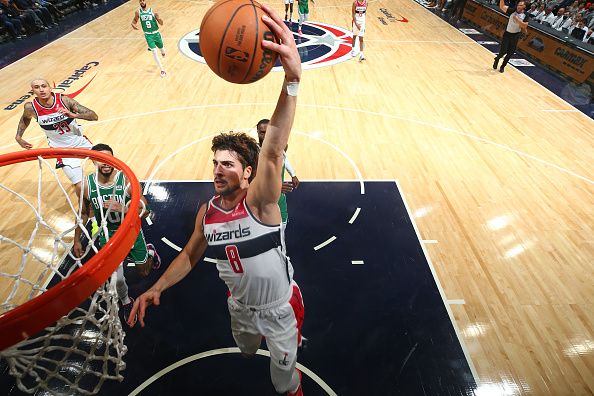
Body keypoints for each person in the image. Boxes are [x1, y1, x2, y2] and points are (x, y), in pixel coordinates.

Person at [129, 6, 305, 395]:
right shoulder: (207, 213)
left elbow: (273, 148)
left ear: (247, 173)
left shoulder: (260, 203)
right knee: (245, 351)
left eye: (228, 164)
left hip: (280, 308)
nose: (218, 169)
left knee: (283, 383)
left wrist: (292, 79)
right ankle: (250, 340)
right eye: (215, 163)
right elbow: (190, 255)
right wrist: (158, 286)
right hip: (239, 306)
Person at [73, 143, 161, 323]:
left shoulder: (127, 181)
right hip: (108, 234)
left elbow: (146, 211)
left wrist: (124, 209)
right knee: (117, 279)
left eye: (109, 159)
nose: (106, 163)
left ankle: (150, 252)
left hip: (131, 232)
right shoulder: (85, 187)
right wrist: (77, 240)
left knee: (144, 272)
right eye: (101, 159)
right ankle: (125, 301)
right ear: (93, 161)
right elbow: (82, 213)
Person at [15, 78, 98, 197]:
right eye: (37, 87)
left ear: (50, 88)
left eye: (44, 86)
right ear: (33, 91)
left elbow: (94, 116)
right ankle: (87, 212)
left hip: (81, 142)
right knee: (81, 186)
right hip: (61, 150)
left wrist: (74, 114)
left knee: (109, 168)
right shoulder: (30, 107)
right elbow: (25, 118)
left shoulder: (64, 100)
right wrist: (18, 137)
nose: (41, 89)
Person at [256, 118, 300, 226]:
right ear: (257, 132)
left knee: (283, 222)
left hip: (279, 194)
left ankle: (282, 241)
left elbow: (285, 159)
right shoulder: (254, 152)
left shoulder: (281, 147)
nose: (266, 135)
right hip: (262, 197)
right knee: (264, 224)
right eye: (262, 132)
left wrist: (293, 175)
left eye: (268, 132)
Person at [131, 0, 166, 78]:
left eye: (143, 0)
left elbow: (161, 23)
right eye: (140, 1)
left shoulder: (152, 11)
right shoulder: (138, 12)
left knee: (162, 49)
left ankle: (163, 52)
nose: (142, 2)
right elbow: (134, 21)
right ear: (139, 2)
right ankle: (162, 70)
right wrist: (133, 24)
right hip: (148, 35)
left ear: (145, 1)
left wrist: (159, 18)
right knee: (154, 51)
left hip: (156, 33)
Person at [493, 0, 528, 73]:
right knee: (503, 51)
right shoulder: (512, 10)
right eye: (518, 5)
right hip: (507, 34)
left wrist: (517, 20)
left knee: (510, 53)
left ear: (524, 7)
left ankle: (502, 66)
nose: (519, 6)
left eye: (521, 5)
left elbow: (524, 26)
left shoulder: (525, 15)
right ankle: (497, 59)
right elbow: (501, 6)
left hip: (516, 35)